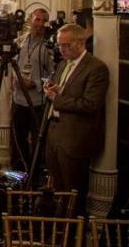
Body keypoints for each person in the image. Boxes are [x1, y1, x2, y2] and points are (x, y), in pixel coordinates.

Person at [44, 24, 109, 213]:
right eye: (59, 45)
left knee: (73, 193)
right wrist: (55, 90)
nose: (62, 49)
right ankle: (58, 232)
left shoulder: (96, 68)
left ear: (80, 43)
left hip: (74, 139)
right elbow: (64, 92)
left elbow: (90, 104)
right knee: (56, 189)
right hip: (54, 133)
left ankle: (73, 235)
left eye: (66, 45)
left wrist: (58, 99)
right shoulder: (63, 64)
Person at [10, 8, 54, 169]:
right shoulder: (19, 42)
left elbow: (54, 75)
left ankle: (34, 175)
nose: (41, 24)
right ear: (30, 21)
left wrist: (35, 82)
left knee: (37, 142)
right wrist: (12, 81)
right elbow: (11, 67)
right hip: (17, 100)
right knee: (17, 140)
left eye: (44, 21)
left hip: (37, 103)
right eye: (37, 20)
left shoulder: (48, 48)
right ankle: (18, 173)